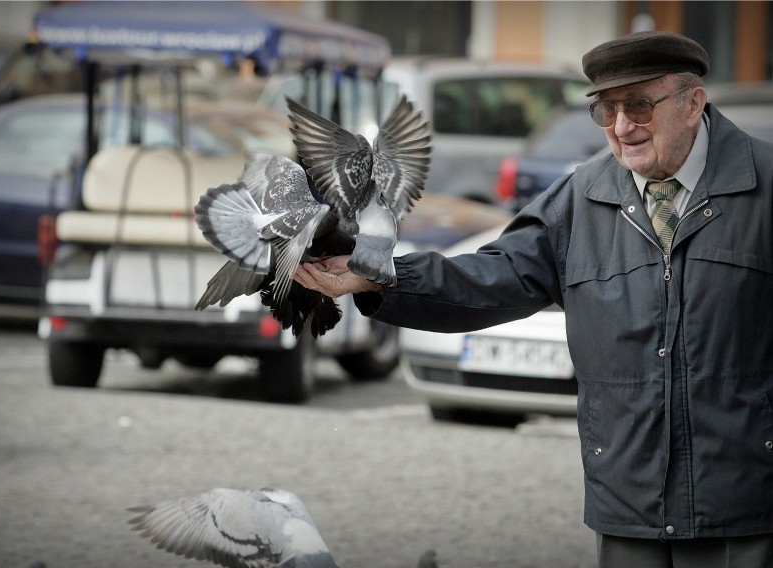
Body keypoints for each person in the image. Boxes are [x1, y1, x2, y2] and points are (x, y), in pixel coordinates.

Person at [294, 31, 773, 568]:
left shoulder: (765, 185)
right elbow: (494, 276)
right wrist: (376, 275)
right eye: (606, 111)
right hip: (628, 505)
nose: (621, 128)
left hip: (747, 507)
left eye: (639, 105)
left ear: (693, 102)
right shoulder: (582, 195)